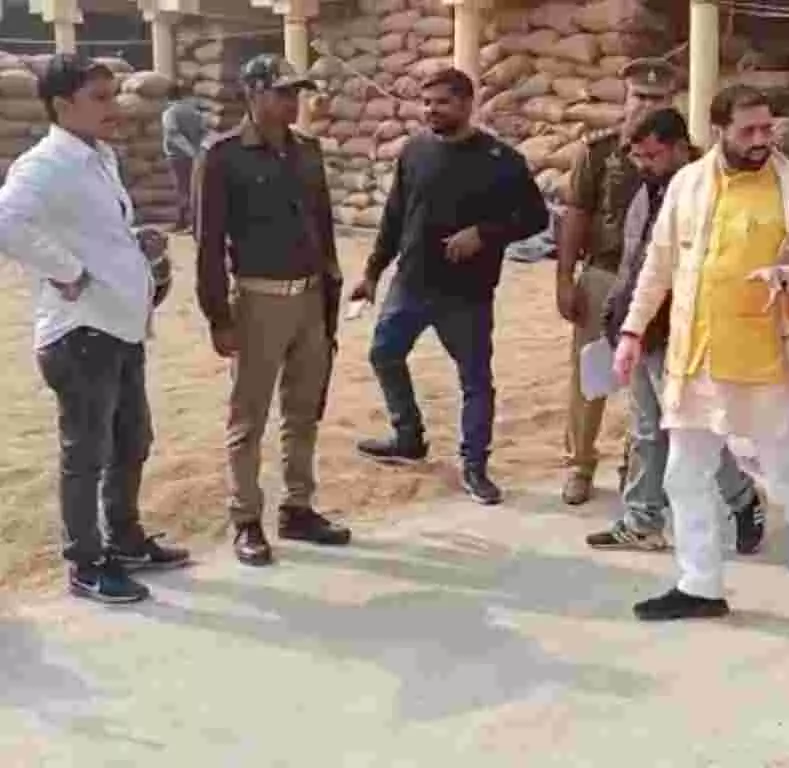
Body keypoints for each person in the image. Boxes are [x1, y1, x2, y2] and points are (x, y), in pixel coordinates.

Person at [613, 85, 789, 623]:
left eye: (767, 127)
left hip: (765, 356)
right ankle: (700, 584)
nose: (762, 139)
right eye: (749, 130)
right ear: (719, 130)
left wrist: (787, 276)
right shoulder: (688, 184)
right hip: (696, 354)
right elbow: (658, 265)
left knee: (783, 472)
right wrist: (631, 331)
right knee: (684, 473)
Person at [0, 54, 188, 603]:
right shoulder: (45, 164)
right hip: (81, 336)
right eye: (99, 99)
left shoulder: (98, 156)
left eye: (113, 95)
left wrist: (135, 242)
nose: (114, 108)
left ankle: (124, 539)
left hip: (118, 328)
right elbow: (6, 222)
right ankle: (85, 564)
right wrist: (67, 270)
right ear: (63, 106)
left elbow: (93, 229)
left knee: (132, 439)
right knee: (86, 454)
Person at [350, 69, 548, 504]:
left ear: (466, 103)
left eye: (441, 102)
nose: (430, 110)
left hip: (467, 294)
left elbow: (537, 217)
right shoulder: (415, 151)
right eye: (426, 102)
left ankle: (475, 467)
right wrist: (372, 272)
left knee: (474, 380)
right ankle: (408, 437)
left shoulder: (500, 160)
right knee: (384, 354)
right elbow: (394, 216)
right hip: (411, 282)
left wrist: (484, 234)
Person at [194, 54, 350, 567]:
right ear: (253, 94)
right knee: (249, 416)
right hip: (258, 299)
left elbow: (322, 228)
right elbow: (208, 244)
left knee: (303, 411)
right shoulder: (222, 156)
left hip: (309, 297)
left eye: (296, 93)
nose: (292, 103)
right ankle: (246, 518)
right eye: (282, 93)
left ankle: (298, 507)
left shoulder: (307, 151)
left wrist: (329, 295)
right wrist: (218, 316)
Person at [588, 107, 766, 554]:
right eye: (637, 157)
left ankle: (743, 498)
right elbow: (634, 263)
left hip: (684, 333)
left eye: (652, 156)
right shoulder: (647, 191)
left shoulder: (709, 194)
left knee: (691, 429)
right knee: (647, 430)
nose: (643, 165)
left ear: (680, 148)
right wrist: (618, 316)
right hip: (643, 330)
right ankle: (643, 521)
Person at [556, 58, 677, 506]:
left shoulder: (687, 156)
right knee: (591, 374)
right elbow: (576, 214)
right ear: (625, 98)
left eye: (658, 98)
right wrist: (565, 277)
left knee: (652, 381)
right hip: (605, 275)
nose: (647, 105)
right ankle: (580, 464)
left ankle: (637, 466)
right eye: (640, 96)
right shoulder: (599, 152)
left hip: (662, 284)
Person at [160, 83, 204, 232]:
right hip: (196, 156)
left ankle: (184, 221)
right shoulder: (195, 112)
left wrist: (189, 150)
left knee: (181, 189)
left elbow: (172, 133)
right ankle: (191, 221)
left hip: (178, 156)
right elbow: (203, 132)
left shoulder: (170, 113)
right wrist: (198, 152)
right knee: (193, 188)